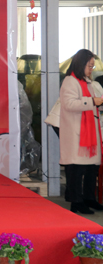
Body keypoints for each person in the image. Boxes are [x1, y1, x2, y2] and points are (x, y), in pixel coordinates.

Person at [59, 49, 103, 214]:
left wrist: (98, 103)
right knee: (76, 169)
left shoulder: (87, 82)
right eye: (89, 66)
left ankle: (89, 198)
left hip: (89, 130)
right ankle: (76, 201)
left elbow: (92, 104)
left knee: (91, 168)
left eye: (93, 66)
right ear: (81, 64)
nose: (92, 69)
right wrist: (92, 101)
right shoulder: (70, 81)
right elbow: (69, 104)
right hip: (76, 131)